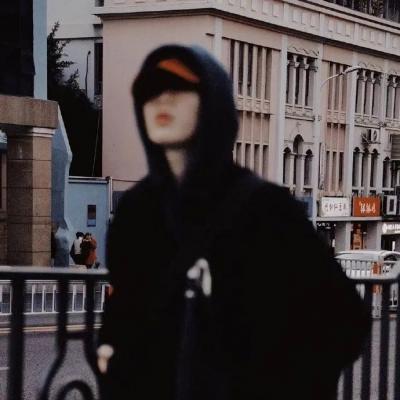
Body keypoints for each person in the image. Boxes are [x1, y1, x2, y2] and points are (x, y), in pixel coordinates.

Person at [97, 44, 370, 400]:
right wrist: (112, 355)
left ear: (212, 104)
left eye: (177, 89)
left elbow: (343, 320)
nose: (161, 100)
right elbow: (124, 312)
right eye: (150, 90)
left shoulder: (265, 210)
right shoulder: (136, 212)